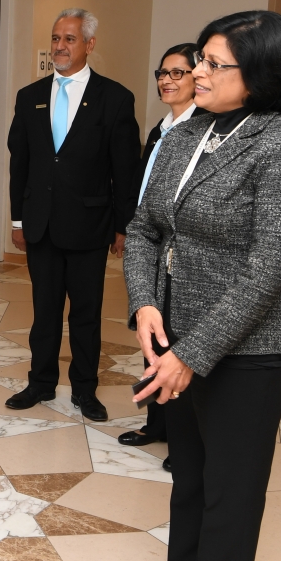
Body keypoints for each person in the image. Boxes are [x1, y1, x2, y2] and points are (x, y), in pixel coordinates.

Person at [126, 11, 281, 561]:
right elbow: (146, 227)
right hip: (176, 329)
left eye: (213, 64)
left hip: (250, 346)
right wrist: (147, 305)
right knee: (194, 479)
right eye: (199, 61)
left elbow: (271, 265)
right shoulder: (187, 134)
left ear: (259, 74)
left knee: (230, 492)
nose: (196, 72)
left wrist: (193, 353)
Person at [6, 8, 141, 422]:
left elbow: (126, 168)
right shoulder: (29, 96)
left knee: (85, 313)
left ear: (89, 44)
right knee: (44, 310)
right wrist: (17, 220)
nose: (60, 47)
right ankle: (40, 382)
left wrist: (122, 226)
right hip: (41, 225)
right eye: (56, 39)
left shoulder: (115, 98)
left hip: (89, 226)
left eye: (69, 39)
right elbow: (20, 163)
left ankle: (85, 389)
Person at [118, 43, 199, 465]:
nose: (167, 80)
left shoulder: (202, 129)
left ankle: (181, 435)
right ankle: (158, 424)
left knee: (180, 343)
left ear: (197, 77)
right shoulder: (161, 129)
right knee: (153, 336)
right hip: (151, 244)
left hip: (181, 253)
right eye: (162, 73)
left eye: (178, 73)